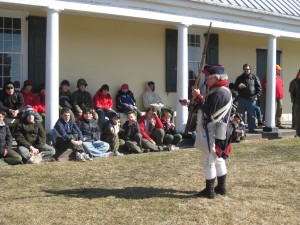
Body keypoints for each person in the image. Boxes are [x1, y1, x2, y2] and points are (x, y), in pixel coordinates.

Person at [191, 65, 232, 199]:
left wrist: (199, 97)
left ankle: (210, 191)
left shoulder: (220, 92)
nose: (206, 81)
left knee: (208, 159)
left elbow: (209, 111)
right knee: (218, 159)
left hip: (213, 130)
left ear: (215, 78)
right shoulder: (221, 91)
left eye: (207, 79)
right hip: (219, 129)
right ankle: (221, 187)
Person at [234, 64, 262, 133]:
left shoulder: (254, 77)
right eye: (245, 69)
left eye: (248, 69)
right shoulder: (239, 78)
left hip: (251, 99)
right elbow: (235, 88)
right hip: (242, 98)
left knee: (251, 115)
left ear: (250, 70)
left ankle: (251, 129)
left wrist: (256, 96)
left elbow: (259, 88)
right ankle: (241, 130)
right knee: (241, 116)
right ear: (243, 70)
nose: (246, 70)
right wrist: (238, 87)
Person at [262, 64, 285, 129]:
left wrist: (282, 93)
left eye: (279, 70)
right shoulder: (268, 76)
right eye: (278, 69)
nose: (278, 71)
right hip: (272, 96)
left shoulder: (278, 77)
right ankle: (268, 121)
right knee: (271, 109)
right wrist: (268, 94)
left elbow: (281, 86)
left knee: (279, 109)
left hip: (279, 96)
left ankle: (278, 123)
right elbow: (264, 86)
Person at [292, 70, 300, 137]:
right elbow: (292, 91)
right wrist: (294, 100)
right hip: (297, 102)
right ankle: (298, 133)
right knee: (297, 118)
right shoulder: (295, 82)